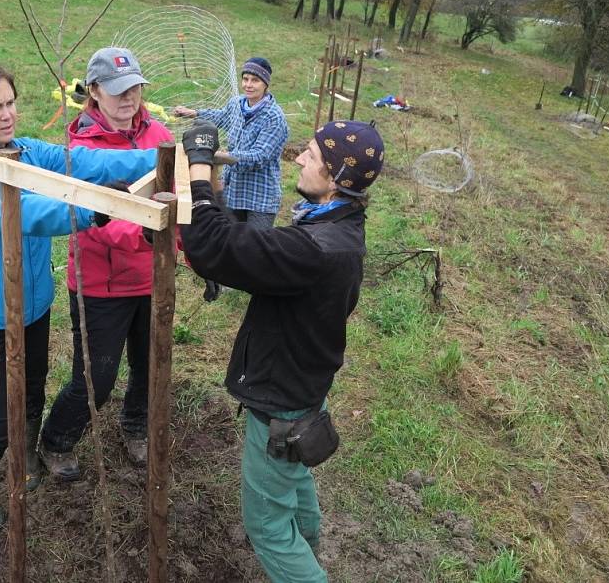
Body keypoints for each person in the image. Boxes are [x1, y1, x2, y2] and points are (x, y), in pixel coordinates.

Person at [0, 58, 157, 531]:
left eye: (10, 102)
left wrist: (168, 152)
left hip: (32, 309)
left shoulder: (26, 151)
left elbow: (93, 161)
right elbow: (27, 209)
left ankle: (27, 458)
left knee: (32, 395)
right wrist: (97, 207)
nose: (7, 115)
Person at [178, 119, 384, 582]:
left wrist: (198, 172)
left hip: (282, 401)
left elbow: (216, 246)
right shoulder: (342, 226)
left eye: (311, 155)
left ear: (334, 179)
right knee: (293, 477)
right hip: (306, 385)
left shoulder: (313, 249)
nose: (299, 159)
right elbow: (252, 248)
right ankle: (308, 550)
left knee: (267, 526)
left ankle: (302, 568)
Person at [39, 47, 174, 476]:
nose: (128, 97)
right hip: (102, 283)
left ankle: (136, 427)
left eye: (134, 87)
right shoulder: (76, 148)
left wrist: (187, 248)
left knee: (150, 364)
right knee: (96, 378)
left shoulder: (158, 135)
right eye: (117, 90)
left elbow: (178, 197)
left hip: (153, 277)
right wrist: (146, 232)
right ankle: (55, 441)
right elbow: (88, 219)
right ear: (94, 91)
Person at [173, 57, 288, 229]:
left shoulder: (274, 117)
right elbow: (222, 117)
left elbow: (259, 156)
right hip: (233, 190)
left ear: (266, 84)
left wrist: (221, 157)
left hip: (259, 198)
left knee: (255, 248)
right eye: (245, 79)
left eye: (255, 80)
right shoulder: (237, 104)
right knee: (231, 242)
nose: (248, 84)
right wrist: (194, 113)